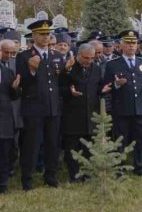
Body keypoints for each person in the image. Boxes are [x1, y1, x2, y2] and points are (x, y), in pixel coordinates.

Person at [16, 19, 66, 189]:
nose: (46, 37)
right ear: (34, 35)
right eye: (42, 34)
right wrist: (32, 69)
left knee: (52, 144)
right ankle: (27, 180)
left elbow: (59, 82)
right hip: (34, 108)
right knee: (31, 145)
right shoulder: (24, 56)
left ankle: (50, 176)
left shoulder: (56, 56)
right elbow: (21, 83)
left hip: (53, 107)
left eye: (48, 34)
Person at [103, 30, 142, 176]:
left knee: (141, 140)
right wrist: (117, 84)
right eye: (128, 43)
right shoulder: (112, 64)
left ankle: (140, 167)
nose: (131, 46)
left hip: (141, 107)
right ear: (120, 45)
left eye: (134, 43)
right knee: (121, 140)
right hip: (122, 107)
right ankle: (119, 168)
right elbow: (106, 86)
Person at [61, 43, 109, 182]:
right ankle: (74, 175)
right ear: (78, 55)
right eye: (86, 58)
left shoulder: (96, 68)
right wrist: (69, 92)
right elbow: (59, 88)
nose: (89, 61)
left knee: (90, 147)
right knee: (73, 147)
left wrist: (103, 90)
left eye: (92, 58)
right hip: (72, 114)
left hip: (91, 114)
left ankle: (88, 174)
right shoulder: (69, 68)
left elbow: (98, 87)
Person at [0, 43, 20, 193]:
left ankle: (3, 184)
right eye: (6, 52)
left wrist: (15, 88)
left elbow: (14, 97)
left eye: (11, 53)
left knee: (5, 153)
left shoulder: (8, 72)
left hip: (4, 119)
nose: (8, 55)